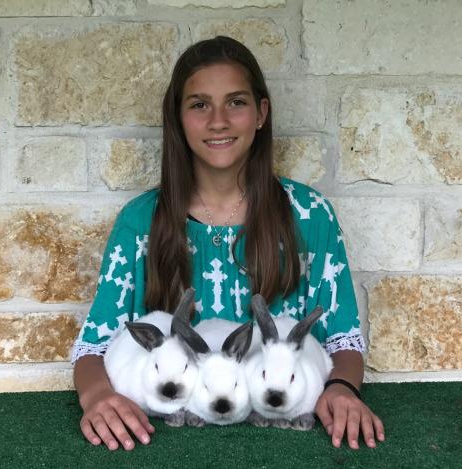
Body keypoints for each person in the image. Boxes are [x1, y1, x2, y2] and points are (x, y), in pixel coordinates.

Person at [72, 36, 384, 452]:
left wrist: (342, 388)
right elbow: (94, 346)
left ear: (261, 113)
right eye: (199, 105)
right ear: (178, 117)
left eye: (236, 102)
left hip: (282, 445)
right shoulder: (140, 221)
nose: (218, 121)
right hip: (168, 442)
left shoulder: (310, 215)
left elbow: (343, 339)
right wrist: (97, 396)